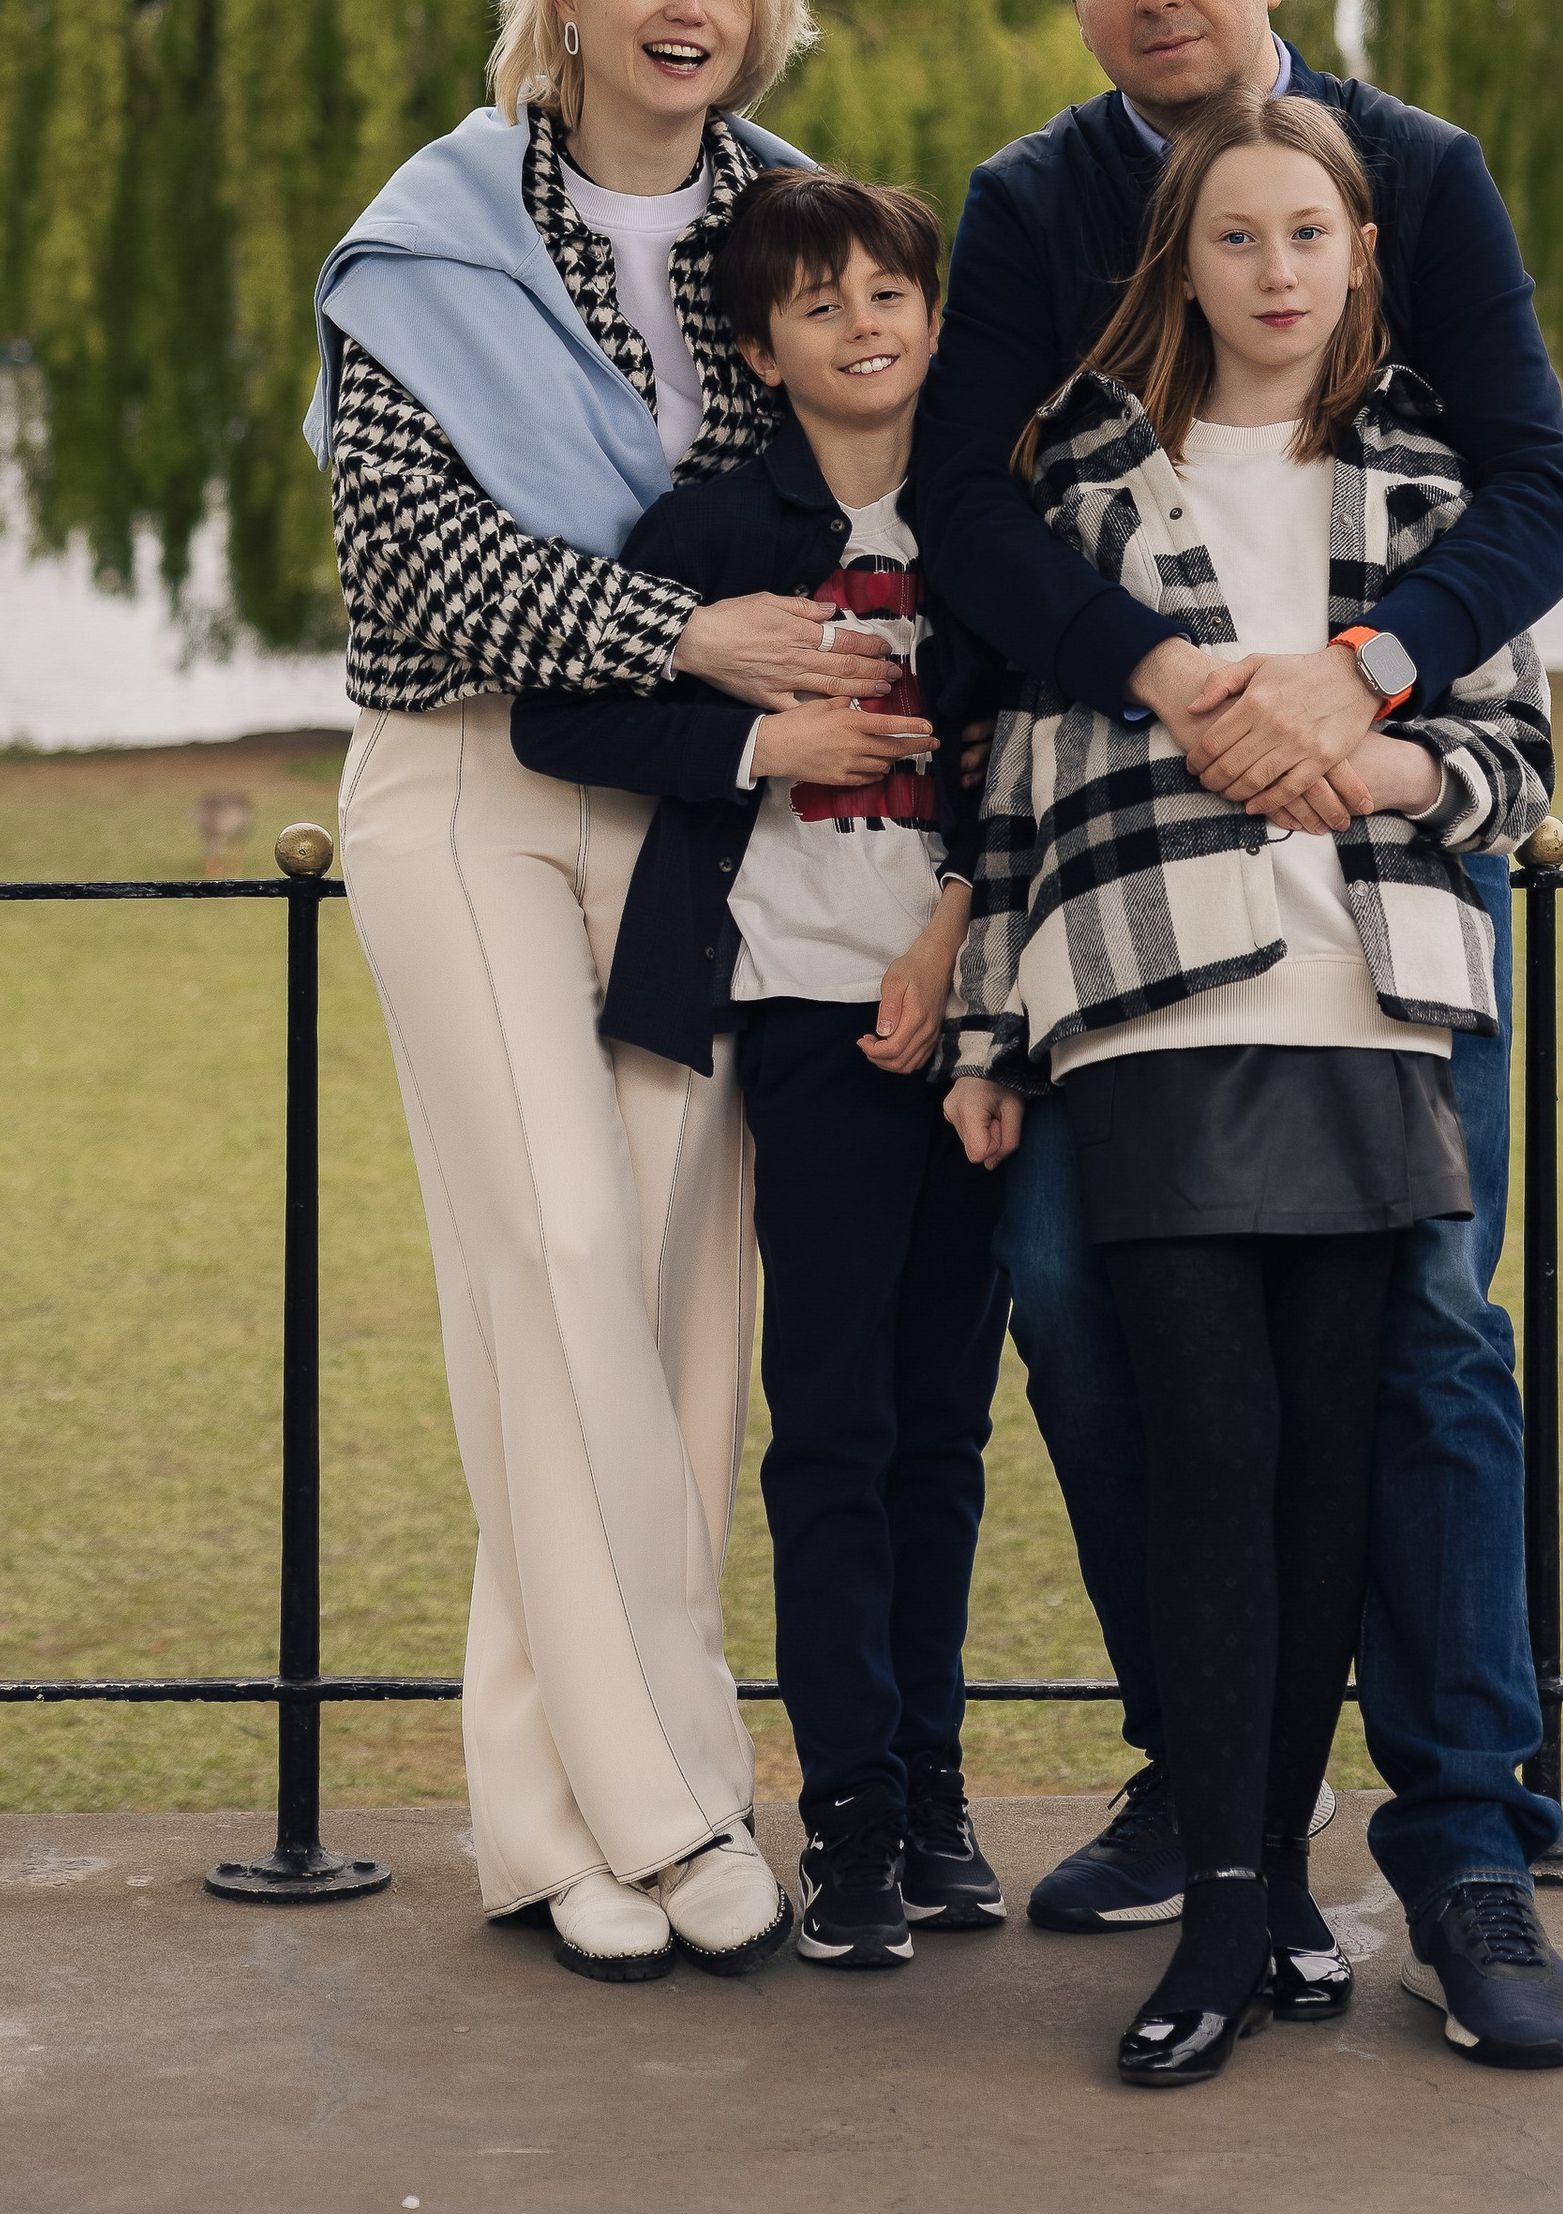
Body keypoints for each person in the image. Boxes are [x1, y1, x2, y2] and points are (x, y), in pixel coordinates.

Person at [913, 0, 1563, 2062]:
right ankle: (1221, 1788)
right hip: (1136, 861)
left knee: (1419, 1331)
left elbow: (1526, 492)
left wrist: (1368, 678)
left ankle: (1467, 1845)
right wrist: (1175, 681)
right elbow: (961, 518)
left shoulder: (1418, 172)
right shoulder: (1030, 209)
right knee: (1075, 1310)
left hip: (1386, 873)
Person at [309, 0, 903, 1984]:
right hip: (462, 790)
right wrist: (691, 635)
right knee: (550, 1246)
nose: (685, 13)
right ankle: (678, 1795)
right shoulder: (437, 232)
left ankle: (540, 1823)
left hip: (701, 813)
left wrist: (763, 684)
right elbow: (413, 571)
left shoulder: (802, 228)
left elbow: (878, 482)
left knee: (654, 1303)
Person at [511, 168, 1011, 1975]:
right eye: (821, 305)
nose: (864, 324)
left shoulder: (989, 516)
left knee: (947, 1431)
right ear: (761, 347)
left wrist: (956, 939)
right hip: (800, 1026)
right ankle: (851, 1814)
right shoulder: (713, 528)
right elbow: (563, 712)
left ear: (932, 319)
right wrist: (758, 740)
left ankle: (941, 1786)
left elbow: (1049, 732)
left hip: (976, 1023)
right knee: (836, 1424)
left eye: (892, 294)